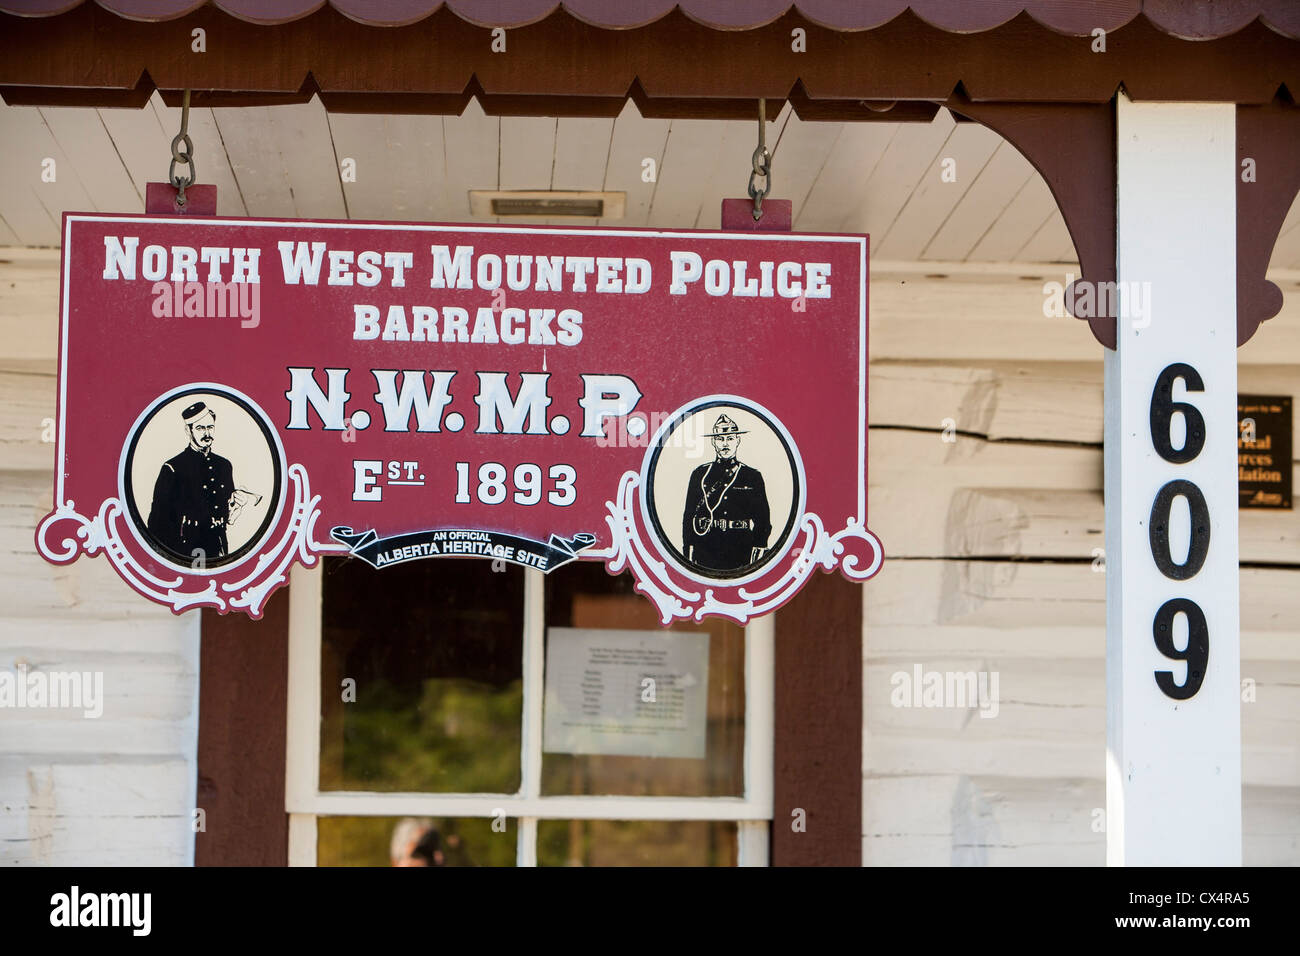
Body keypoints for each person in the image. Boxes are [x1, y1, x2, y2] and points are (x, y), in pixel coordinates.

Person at [145, 401, 248, 564]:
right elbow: (157, 526)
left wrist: (236, 509)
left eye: (210, 427)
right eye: (200, 428)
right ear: (188, 430)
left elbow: (226, 516)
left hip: (219, 550)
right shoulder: (172, 468)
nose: (207, 433)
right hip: (184, 551)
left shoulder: (224, 465)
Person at [682, 414, 771, 572]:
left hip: (741, 547)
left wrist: (756, 556)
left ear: (738, 440)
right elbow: (688, 517)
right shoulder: (700, 474)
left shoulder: (752, 476)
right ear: (713, 442)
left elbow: (763, 521)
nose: (725, 444)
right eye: (720, 439)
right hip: (706, 547)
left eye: (730, 438)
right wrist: (687, 554)